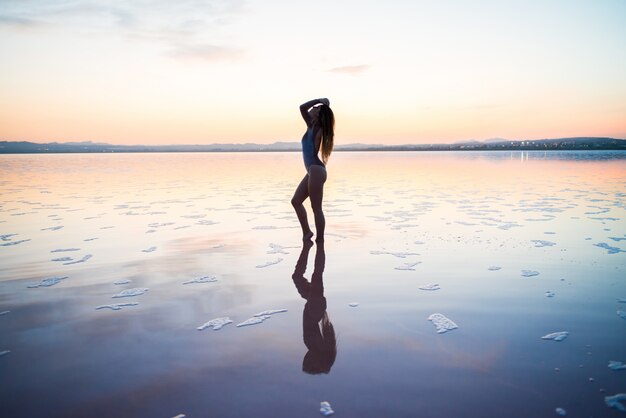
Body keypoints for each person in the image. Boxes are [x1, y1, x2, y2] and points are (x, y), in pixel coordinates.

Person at [291, 98, 335, 242]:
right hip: (313, 170)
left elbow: (302, 107)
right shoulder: (313, 126)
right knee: (296, 201)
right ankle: (307, 233)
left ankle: (320, 240)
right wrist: (321, 105)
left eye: (315, 107)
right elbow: (304, 108)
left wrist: (319, 100)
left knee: (316, 208)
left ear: (318, 114)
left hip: (316, 170)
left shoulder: (314, 126)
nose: (312, 107)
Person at [291, 240, 336, 374]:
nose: (305, 359)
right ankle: (319, 243)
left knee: (298, 277)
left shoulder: (314, 346)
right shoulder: (316, 346)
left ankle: (308, 246)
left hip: (314, 305)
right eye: (307, 361)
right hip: (315, 307)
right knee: (317, 273)